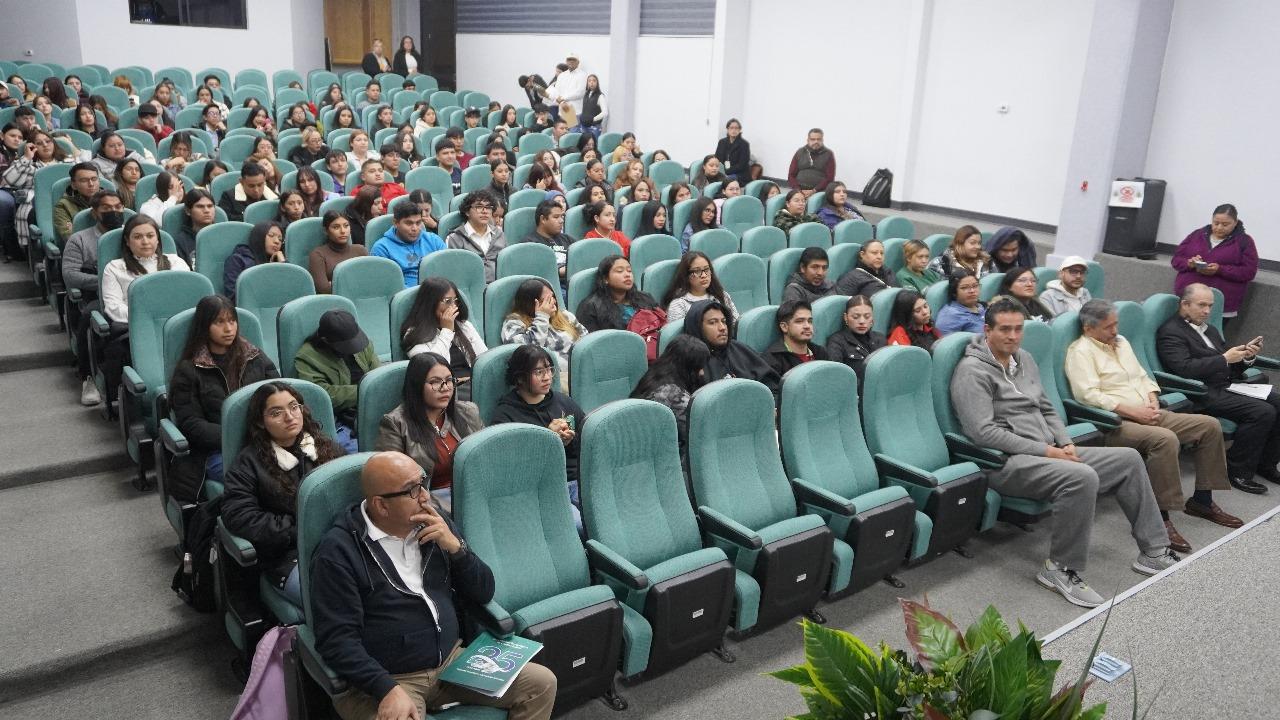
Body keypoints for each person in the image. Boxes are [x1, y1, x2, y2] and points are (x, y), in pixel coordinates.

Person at [952, 297, 1178, 607]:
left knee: (1128, 458)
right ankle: (1059, 568)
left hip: (1049, 452)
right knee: (1082, 477)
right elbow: (983, 433)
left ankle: (1154, 551)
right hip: (1004, 462)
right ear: (987, 330)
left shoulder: (1025, 359)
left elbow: (1044, 404)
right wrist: (1047, 450)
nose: (1013, 336)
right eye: (1005, 330)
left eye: (1019, 329)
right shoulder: (972, 372)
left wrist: (1064, 441)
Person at [311, 449, 556, 720]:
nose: (426, 496)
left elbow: (484, 590)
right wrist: (385, 688)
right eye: (413, 491)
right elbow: (337, 641)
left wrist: (456, 549)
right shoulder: (338, 552)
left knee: (540, 684)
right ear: (381, 505)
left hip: (451, 662)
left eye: (423, 483)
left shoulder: (434, 522)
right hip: (388, 679)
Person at [1065, 298, 1240, 553]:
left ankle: (1202, 500)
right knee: (1164, 439)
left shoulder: (1121, 342)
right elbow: (1088, 396)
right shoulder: (1080, 351)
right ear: (1088, 329)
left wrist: (1152, 400)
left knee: (1209, 426)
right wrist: (1134, 412)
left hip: (1148, 412)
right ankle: (1161, 518)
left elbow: (1142, 376)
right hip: (1115, 423)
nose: (1115, 331)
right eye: (1108, 327)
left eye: (1116, 324)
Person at [224, 381, 344, 606]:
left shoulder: (327, 448)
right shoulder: (249, 463)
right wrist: (298, 528)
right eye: (276, 413)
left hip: (339, 545)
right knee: (336, 601)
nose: (289, 417)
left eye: (294, 407)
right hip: (289, 557)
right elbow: (240, 516)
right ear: (261, 421)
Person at [1156, 283, 1280, 493]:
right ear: (1184, 304)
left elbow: (1230, 367)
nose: (1207, 311)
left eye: (1210, 306)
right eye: (1201, 305)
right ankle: (1237, 471)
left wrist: (1246, 357)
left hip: (1226, 384)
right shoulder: (1171, 332)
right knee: (1262, 412)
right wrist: (1224, 358)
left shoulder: (1210, 330)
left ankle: (1265, 463)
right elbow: (1183, 369)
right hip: (1201, 391)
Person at [167, 295, 279, 501]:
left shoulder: (254, 356)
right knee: (264, 485)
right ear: (205, 326)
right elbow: (191, 424)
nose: (228, 329)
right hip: (218, 451)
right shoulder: (190, 370)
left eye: (232, 320)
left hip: (265, 442)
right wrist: (240, 436)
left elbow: (279, 393)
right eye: (219, 322)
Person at [374, 352, 483, 516]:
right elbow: (392, 482)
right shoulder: (395, 423)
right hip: (428, 501)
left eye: (448, 380)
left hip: (472, 493)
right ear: (417, 386)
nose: (445, 387)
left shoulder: (468, 412)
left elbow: (486, 459)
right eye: (435, 382)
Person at [491, 345, 586, 519]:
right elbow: (511, 468)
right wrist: (547, 439)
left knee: (606, 516)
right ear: (519, 378)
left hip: (577, 479)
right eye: (539, 372)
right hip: (543, 488)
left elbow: (587, 442)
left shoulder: (563, 402)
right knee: (579, 525)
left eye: (550, 370)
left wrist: (570, 439)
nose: (547, 377)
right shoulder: (506, 415)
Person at [100, 216, 192, 397]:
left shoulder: (175, 262)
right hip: (134, 328)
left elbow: (190, 298)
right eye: (138, 237)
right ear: (127, 241)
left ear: (158, 239)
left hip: (177, 325)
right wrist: (144, 321)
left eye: (150, 236)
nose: (145, 242)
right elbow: (113, 307)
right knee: (118, 349)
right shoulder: (115, 268)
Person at [63, 189, 125, 404]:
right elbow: (70, 275)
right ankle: (88, 376)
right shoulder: (79, 239)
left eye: (117, 207)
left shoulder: (134, 234)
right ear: (95, 212)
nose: (113, 212)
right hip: (98, 295)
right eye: (106, 208)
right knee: (89, 317)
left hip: (133, 295)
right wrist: (105, 282)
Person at [295, 309, 380, 450]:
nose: (354, 349)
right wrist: (367, 390)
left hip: (372, 408)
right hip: (340, 418)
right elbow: (324, 396)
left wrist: (372, 390)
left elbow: (378, 377)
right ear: (326, 341)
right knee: (358, 453)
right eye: (348, 346)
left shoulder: (361, 342)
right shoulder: (307, 357)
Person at [632, 334, 710, 474]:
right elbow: (703, 434)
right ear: (688, 366)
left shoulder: (654, 376)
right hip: (660, 465)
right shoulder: (673, 395)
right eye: (699, 367)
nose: (702, 372)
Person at [1170, 203, 1258, 328]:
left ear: (1235, 222)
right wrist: (1189, 263)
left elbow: (1249, 272)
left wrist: (1220, 270)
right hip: (1188, 300)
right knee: (1178, 334)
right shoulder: (1197, 235)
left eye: (1225, 224)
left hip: (1219, 304)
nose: (1219, 227)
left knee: (1208, 340)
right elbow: (1176, 260)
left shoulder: (1244, 242)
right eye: (1216, 223)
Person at [400, 277, 487, 401]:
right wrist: (447, 331)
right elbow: (432, 370)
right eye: (447, 301)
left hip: (473, 384)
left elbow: (483, 359)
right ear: (430, 303)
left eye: (455, 301)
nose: (453, 306)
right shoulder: (414, 334)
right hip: (445, 392)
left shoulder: (463, 325)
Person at [683, 299, 780, 399]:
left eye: (724, 322)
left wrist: (770, 405)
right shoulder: (689, 361)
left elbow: (772, 384)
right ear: (697, 327)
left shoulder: (738, 349)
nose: (722, 328)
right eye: (712, 323)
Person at [501, 278, 587, 390]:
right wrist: (542, 317)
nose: (552, 302)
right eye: (545, 301)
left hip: (580, 372)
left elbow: (586, 342)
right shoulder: (513, 323)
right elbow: (528, 355)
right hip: (548, 380)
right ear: (530, 303)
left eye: (552, 297)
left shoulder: (566, 316)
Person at [4, 129, 73, 250]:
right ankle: (37, 252)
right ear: (32, 147)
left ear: (54, 143)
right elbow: (8, 180)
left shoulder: (69, 162)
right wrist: (26, 157)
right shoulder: (28, 165)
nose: (45, 145)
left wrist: (71, 145)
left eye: (48, 141)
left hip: (68, 200)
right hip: (36, 203)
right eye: (39, 143)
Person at [371, 201, 446, 288]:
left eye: (418, 223)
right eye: (409, 223)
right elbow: (387, 285)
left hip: (437, 292)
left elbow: (447, 269)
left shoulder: (434, 240)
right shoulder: (382, 248)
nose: (415, 228)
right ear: (395, 223)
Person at [576, 255, 658, 332]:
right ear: (605, 279)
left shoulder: (645, 298)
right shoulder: (591, 307)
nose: (627, 275)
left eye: (629, 271)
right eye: (620, 271)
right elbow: (592, 342)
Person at [824, 295, 885, 392]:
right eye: (856, 317)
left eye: (867, 316)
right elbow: (836, 376)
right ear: (846, 317)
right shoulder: (837, 341)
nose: (862, 321)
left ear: (872, 318)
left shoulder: (880, 339)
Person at [443, 189, 506, 283]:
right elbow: (453, 272)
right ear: (467, 212)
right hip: (470, 288)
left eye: (488, 207)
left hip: (498, 288)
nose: (485, 211)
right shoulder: (454, 239)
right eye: (479, 207)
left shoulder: (499, 234)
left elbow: (506, 265)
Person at [664, 251, 739, 325]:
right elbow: (678, 336)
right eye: (697, 271)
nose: (704, 275)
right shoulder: (679, 304)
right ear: (686, 275)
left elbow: (735, 324)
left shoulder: (721, 295)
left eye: (706, 269)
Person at [309, 211, 369, 294]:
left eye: (346, 226)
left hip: (362, 298)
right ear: (326, 231)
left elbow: (370, 281)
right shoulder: (318, 254)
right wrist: (357, 282)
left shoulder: (360, 250)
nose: (343, 231)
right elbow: (324, 290)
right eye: (336, 227)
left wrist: (335, 284)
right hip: (335, 303)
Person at [223, 221, 285, 299]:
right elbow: (233, 297)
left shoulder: (277, 262)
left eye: (280, 239)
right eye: (271, 235)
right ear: (259, 237)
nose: (277, 241)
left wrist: (284, 263)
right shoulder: (237, 260)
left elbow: (291, 290)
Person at [521, 199, 573, 293]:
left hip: (571, 283)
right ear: (543, 219)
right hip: (549, 287)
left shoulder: (568, 239)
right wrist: (561, 271)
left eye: (562, 216)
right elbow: (536, 272)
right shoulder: (530, 243)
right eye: (556, 217)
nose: (561, 221)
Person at [766, 299, 828, 376]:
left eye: (810, 321)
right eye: (799, 321)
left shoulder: (820, 352)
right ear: (784, 327)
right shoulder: (772, 358)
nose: (807, 326)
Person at [53, 162, 100, 244]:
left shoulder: (111, 200)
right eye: (84, 180)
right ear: (74, 185)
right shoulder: (63, 206)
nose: (91, 184)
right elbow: (71, 240)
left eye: (94, 179)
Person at [927, 224, 992, 279]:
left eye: (979, 243)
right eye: (972, 243)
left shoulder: (985, 260)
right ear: (959, 244)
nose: (978, 247)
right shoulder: (940, 264)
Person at [935, 269, 986, 335]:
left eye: (975, 286)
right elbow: (946, 344)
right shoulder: (949, 316)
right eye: (964, 288)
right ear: (954, 292)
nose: (972, 291)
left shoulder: (981, 306)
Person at [787, 128, 835, 195]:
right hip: (798, 189)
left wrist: (814, 190)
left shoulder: (828, 154)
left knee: (813, 203)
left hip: (819, 191)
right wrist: (797, 190)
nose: (816, 142)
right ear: (808, 140)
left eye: (819, 139)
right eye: (813, 139)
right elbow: (791, 175)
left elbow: (830, 178)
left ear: (822, 140)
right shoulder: (800, 152)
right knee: (792, 203)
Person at [714, 118, 751, 183]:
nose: (734, 130)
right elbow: (717, 158)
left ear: (739, 130)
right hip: (723, 171)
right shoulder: (722, 142)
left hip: (739, 174)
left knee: (725, 180)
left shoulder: (744, 144)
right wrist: (720, 170)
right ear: (728, 129)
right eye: (731, 128)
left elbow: (741, 165)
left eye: (736, 128)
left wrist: (726, 171)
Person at [577, 74, 607, 138]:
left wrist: (593, 119)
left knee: (593, 146)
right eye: (589, 81)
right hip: (583, 126)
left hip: (594, 127)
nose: (591, 82)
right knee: (584, 146)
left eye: (594, 80)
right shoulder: (585, 94)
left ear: (597, 83)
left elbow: (605, 112)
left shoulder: (600, 96)